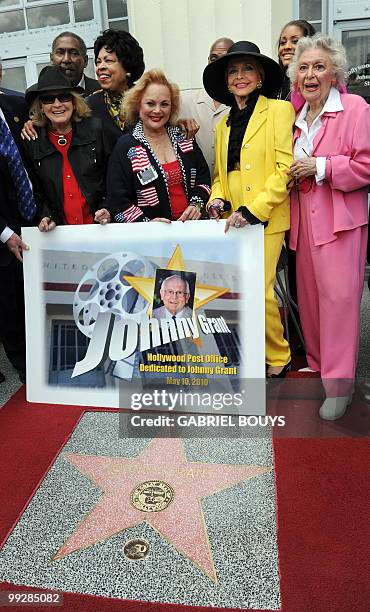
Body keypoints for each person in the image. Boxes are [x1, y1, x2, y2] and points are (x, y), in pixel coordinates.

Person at [288, 35, 370, 419]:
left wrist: (319, 167)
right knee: (310, 301)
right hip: (304, 224)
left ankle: (340, 387)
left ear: (335, 71)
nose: (310, 74)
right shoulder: (295, 117)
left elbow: (365, 166)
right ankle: (320, 364)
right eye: (303, 67)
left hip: (340, 224)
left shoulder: (354, 108)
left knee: (338, 302)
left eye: (319, 66)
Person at [203, 41, 295, 378]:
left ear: (260, 77)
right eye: (233, 71)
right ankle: (252, 350)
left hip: (266, 216)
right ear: (226, 81)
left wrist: (254, 209)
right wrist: (216, 198)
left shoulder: (279, 110)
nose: (239, 76)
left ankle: (279, 354)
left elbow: (285, 170)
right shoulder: (222, 123)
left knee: (260, 289)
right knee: (240, 290)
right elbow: (221, 175)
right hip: (234, 219)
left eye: (247, 69)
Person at [105, 69, 211, 223]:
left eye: (164, 104)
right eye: (150, 103)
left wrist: (197, 204)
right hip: (150, 240)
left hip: (192, 231)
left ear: (172, 107)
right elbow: (117, 201)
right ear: (138, 105)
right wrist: (147, 225)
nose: (157, 110)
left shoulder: (183, 137)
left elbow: (204, 178)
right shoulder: (126, 147)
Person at [23, 66, 111, 229]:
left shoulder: (96, 129)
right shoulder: (32, 139)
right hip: (60, 235)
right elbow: (35, 191)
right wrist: (46, 216)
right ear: (41, 106)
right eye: (48, 99)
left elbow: (112, 177)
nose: (57, 104)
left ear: (74, 101)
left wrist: (107, 208)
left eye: (63, 97)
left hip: (100, 228)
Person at [0, 93, 37, 383]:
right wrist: (4, 232)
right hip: (2, 228)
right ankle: (25, 366)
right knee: (8, 301)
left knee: (33, 292)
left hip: (30, 218)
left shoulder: (14, 107)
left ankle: (42, 354)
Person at [180, 37, 234, 174]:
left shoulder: (243, 105)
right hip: (196, 188)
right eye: (213, 58)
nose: (217, 63)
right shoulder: (186, 101)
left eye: (224, 58)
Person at [86, 29, 145, 154]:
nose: (100, 67)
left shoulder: (146, 100)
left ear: (127, 67)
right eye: (98, 62)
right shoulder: (89, 106)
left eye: (108, 61)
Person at [276, 20, 316, 102]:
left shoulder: (316, 82)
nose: (286, 47)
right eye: (283, 42)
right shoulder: (275, 81)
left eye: (295, 41)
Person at [50, 32, 100, 96]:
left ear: (85, 61)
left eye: (74, 53)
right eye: (60, 53)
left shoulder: (103, 90)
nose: (66, 59)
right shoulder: (37, 95)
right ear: (51, 59)